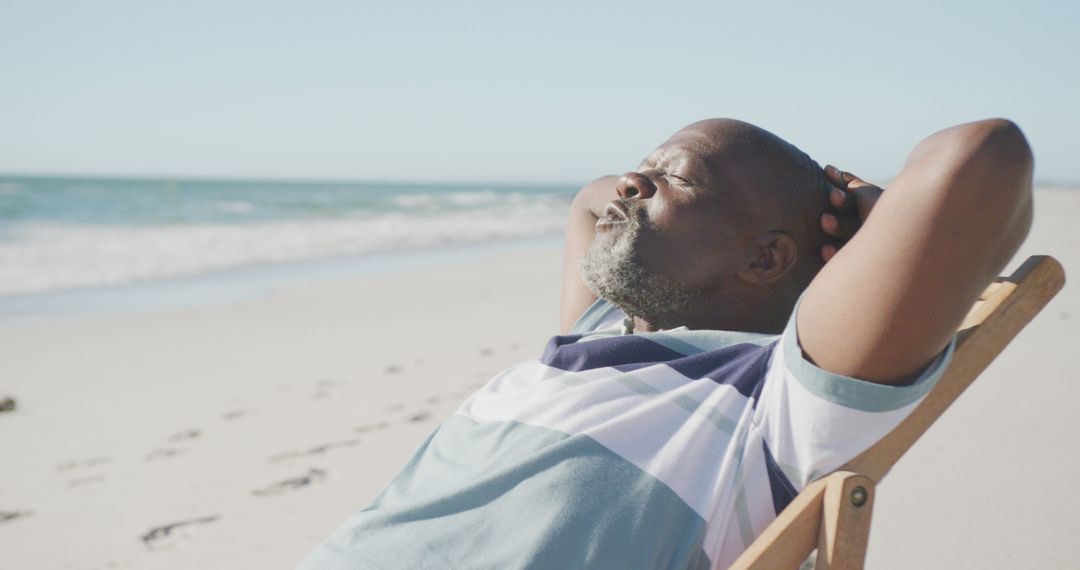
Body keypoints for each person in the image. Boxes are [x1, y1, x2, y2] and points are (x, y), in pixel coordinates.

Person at [298, 118, 1033, 569]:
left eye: (671, 179)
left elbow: (982, 159)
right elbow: (592, 195)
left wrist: (871, 211)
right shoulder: (598, 332)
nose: (628, 184)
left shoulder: (775, 403)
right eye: (641, 170)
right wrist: (658, 178)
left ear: (765, 261)